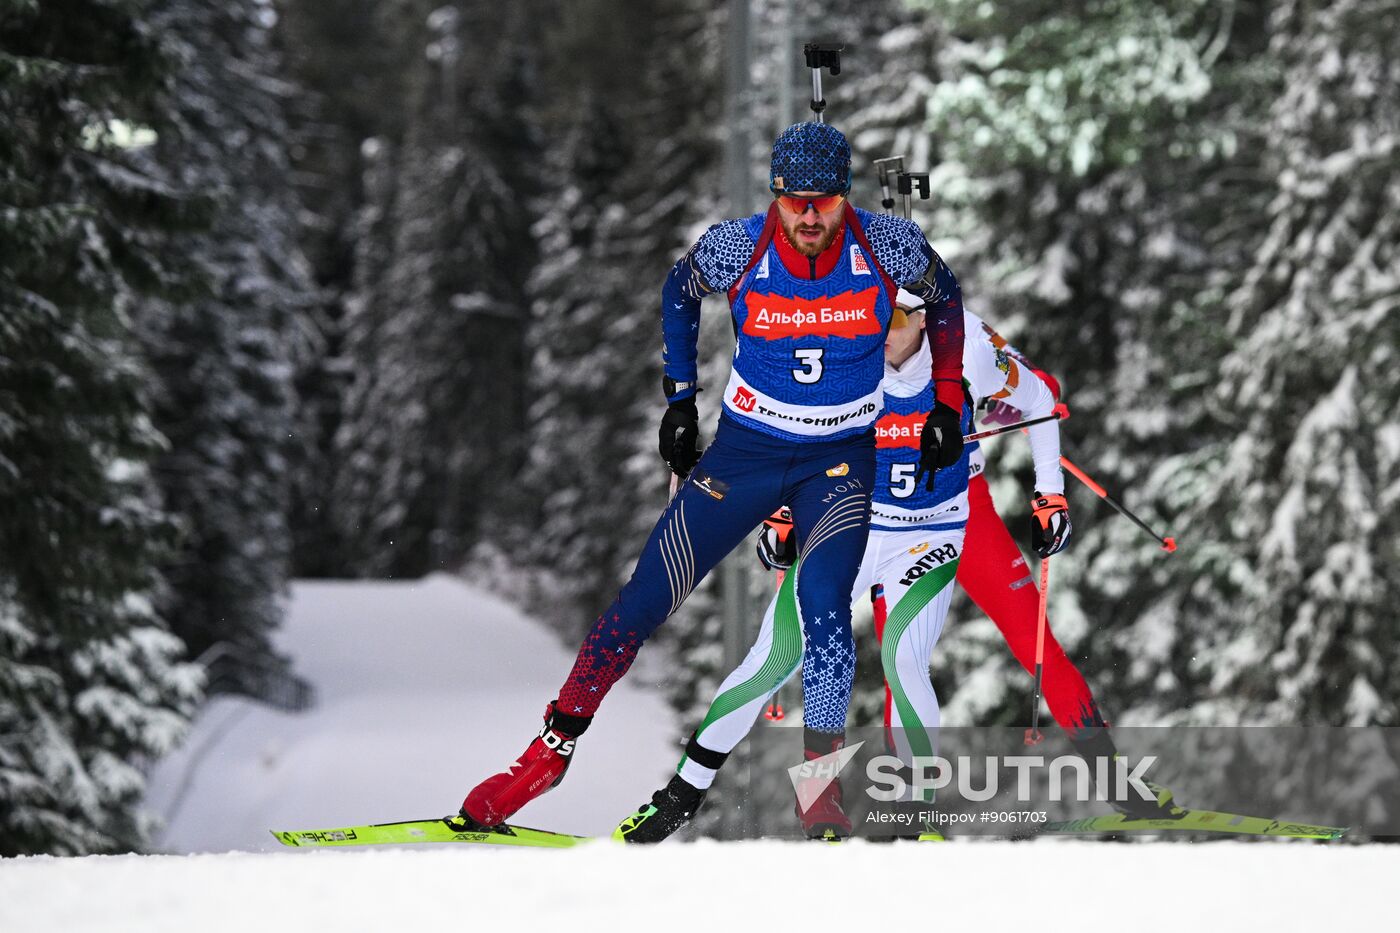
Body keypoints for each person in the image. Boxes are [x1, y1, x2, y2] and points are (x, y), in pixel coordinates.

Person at [451, 123, 969, 832]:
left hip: (841, 462)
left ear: (846, 197)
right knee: (642, 602)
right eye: (795, 201)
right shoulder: (740, 244)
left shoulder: (885, 243)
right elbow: (677, 289)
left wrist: (943, 400)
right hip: (745, 454)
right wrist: (678, 400)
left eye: (824, 201)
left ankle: (819, 798)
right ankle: (548, 752)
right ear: (775, 195)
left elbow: (945, 296)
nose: (810, 217)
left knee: (824, 613)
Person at [613, 292, 1172, 843]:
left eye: (895, 317)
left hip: (948, 518)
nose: (877, 332)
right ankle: (680, 799)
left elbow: (1042, 398)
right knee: (773, 658)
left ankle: (1113, 784)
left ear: (925, 318)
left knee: (1011, 643)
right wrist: (782, 517)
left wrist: (1049, 494)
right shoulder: (837, 348)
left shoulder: (968, 345)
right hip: (855, 519)